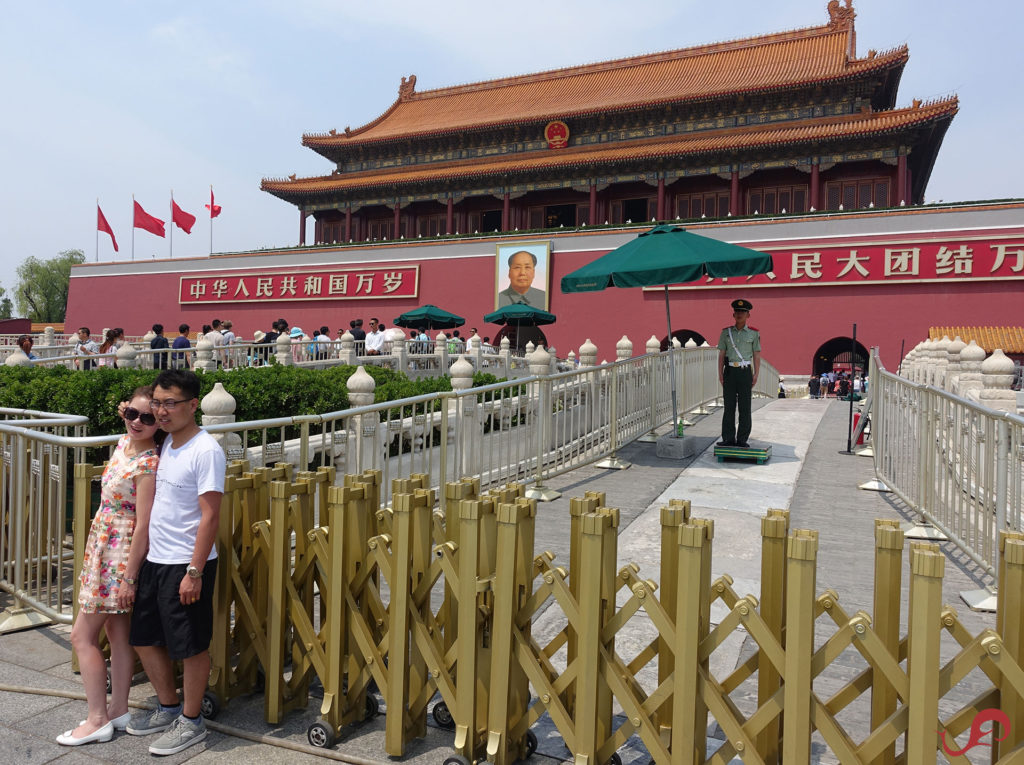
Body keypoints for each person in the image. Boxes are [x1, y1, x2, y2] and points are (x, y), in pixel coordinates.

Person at [126, 369, 225, 756]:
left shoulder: (206, 450)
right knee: (144, 638)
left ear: (192, 405)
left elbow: (210, 516)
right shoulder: (165, 442)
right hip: (155, 558)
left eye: (171, 404)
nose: (162, 412)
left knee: (190, 645)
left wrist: (194, 572)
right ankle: (168, 706)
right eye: (158, 403)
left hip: (186, 563)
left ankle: (191, 719)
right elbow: (133, 413)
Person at [57, 387, 162, 747]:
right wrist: (128, 412)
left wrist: (129, 576)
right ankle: (117, 709)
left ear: (158, 423)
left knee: (81, 636)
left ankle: (96, 718)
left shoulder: (149, 462)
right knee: (118, 634)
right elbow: (127, 417)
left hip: (119, 554)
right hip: (102, 543)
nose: (137, 422)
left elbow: (144, 524)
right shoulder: (123, 442)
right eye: (132, 413)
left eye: (148, 418)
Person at [717, 298, 760, 448]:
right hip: (729, 371)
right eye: (737, 311)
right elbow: (722, 354)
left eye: (743, 312)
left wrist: (756, 374)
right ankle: (728, 438)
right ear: (733, 315)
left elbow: (756, 355)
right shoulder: (726, 333)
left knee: (745, 406)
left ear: (748, 315)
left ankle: (742, 439)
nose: (739, 313)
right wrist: (720, 373)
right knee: (729, 406)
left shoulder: (754, 334)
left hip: (745, 372)